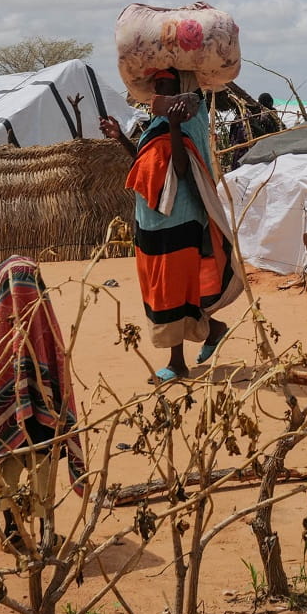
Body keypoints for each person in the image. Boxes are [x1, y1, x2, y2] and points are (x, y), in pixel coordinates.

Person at [99, 68, 244, 382]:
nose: (158, 89)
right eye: (157, 84)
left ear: (183, 86)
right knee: (158, 286)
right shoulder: (157, 121)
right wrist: (120, 137)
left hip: (177, 220)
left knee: (171, 288)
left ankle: (177, 362)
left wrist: (176, 127)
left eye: (166, 84)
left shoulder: (187, 118)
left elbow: (180, 169)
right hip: (150, 219)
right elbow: (146, 161)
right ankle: (213, 328)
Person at [0, 256, 88, 554]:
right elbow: (58, 371)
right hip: (43, 421)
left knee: (6, 469)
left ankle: (13, 532)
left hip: (7, 426)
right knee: (42, 469)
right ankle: (44, 534)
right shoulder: (46, 325)